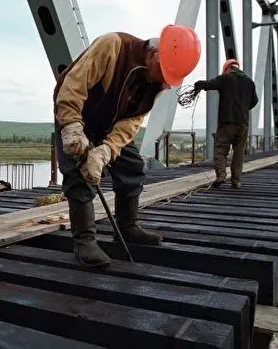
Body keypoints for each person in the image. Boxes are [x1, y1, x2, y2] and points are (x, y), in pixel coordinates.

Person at [53, 25, 201, 267]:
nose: (164, 82)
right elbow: (72, 86)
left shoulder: (158, 84)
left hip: (110, 125)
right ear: (155, 53)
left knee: (131, 165)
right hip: (77, 116)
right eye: (163, 73)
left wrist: (105, 151)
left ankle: (128, 227)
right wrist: (71, 127)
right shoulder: (113, 46)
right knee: (78, 175)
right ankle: (85, 243)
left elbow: (131, 122)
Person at [194, 59, 259, 189]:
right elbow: (254, 101)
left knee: (220, 149)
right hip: (243, 123)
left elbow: (209, 84)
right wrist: (244, 108)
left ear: (227, 68)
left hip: (227, 121)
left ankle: (221, 176)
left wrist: (198, 84)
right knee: (239, 152)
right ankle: (236, 181)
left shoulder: (226, 78)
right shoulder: (249, 82)